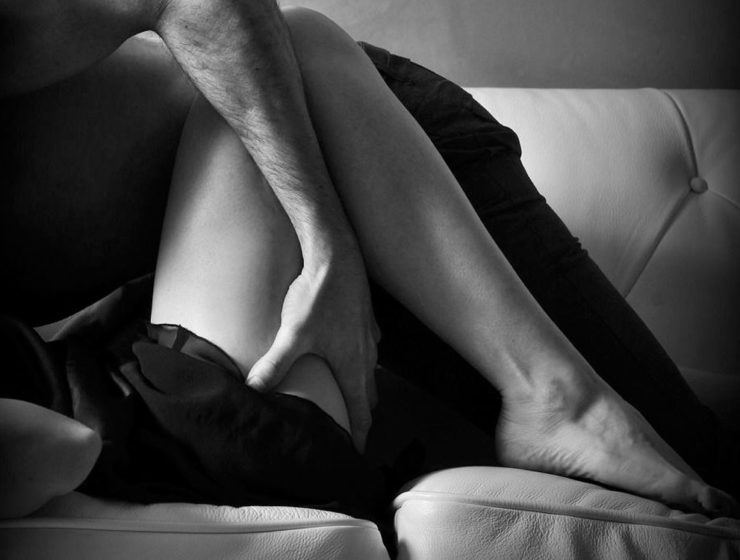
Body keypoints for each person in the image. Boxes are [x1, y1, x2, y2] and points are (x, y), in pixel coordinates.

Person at [1, 0, 737, 519]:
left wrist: (330, 251)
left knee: (686, 456)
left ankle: (559, 394)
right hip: (248, 255)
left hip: (349, 144)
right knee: (680, 435)